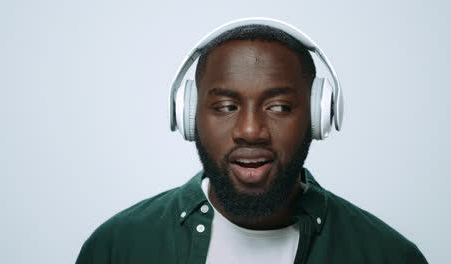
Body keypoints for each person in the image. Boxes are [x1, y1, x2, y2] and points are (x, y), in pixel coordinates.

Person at [76, 18, 428, 264]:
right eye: (226, 106)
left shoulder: (389, 255)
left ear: (319, 116)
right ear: (188, 116)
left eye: (279, 107)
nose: (250, 130)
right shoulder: (116, 247)